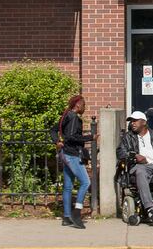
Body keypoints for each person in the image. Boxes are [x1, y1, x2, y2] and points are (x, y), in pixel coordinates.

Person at [55, 95, 97, 229]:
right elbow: (72, 137)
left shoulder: (65, 116)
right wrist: (91, 137)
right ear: (78, 105)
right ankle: (76, 213)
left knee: (68, 186)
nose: (85, 107)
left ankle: (66, 217)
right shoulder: (73, 117)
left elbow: (53, 130)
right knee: (86, 182)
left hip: (65, 154)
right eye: (84, 105)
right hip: (72, 155)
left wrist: (57, 141)